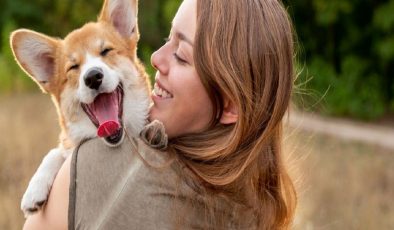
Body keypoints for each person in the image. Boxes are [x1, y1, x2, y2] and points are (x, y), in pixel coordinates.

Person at [23, 0, 297, 229]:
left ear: (229, 105)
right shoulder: (256, 207)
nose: (154, 58)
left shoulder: (103, 169)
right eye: (168, 38)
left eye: (181, 54)